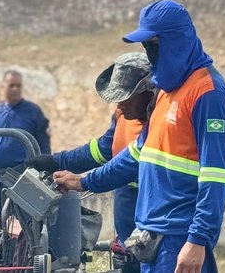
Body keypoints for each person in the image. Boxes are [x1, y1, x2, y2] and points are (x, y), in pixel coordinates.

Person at [54, 0, 225, 273]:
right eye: (145, 46)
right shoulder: (167, 91)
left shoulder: (208, 93)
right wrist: (83, 181)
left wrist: (198, 239)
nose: (150, 54)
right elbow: (135, 155)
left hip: (179, 238)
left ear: (176, 40)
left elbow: (216, 174)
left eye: (154, 45)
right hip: (151, 237)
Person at [27, 52, 154, 273]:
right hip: (128, 233)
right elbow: (101, 151)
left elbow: (127, 166)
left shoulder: (161, 124)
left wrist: (83, 181)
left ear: (147, 92)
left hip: (152, 227)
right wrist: (56, 161)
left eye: (125, 97)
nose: (120, 105)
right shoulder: (123, 115)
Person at [0, 69, 52, 217]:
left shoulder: (33, 112)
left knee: (25, 222)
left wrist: (45, 175)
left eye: (18, 86)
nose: (15, 89)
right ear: (3, 86)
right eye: (11, 85)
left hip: (24, 176)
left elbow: (44, 146)